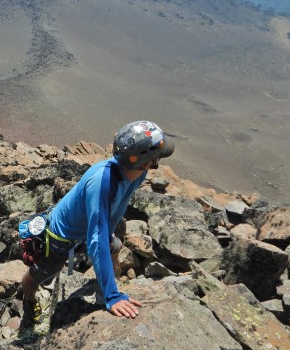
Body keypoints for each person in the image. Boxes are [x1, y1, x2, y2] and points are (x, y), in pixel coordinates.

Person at [20, 120, 175, 323]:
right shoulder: (102, 183)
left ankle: (107, 284)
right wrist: (113, 298)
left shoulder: (137, 173)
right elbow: (97, 239)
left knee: (114, 247)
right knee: (38, 276)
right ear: (146, 162)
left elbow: (116, 209)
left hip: (85, 229)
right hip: (60, 237)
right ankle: (29, 301)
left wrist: (107, 233)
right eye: (156, 160)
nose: (156, 165)